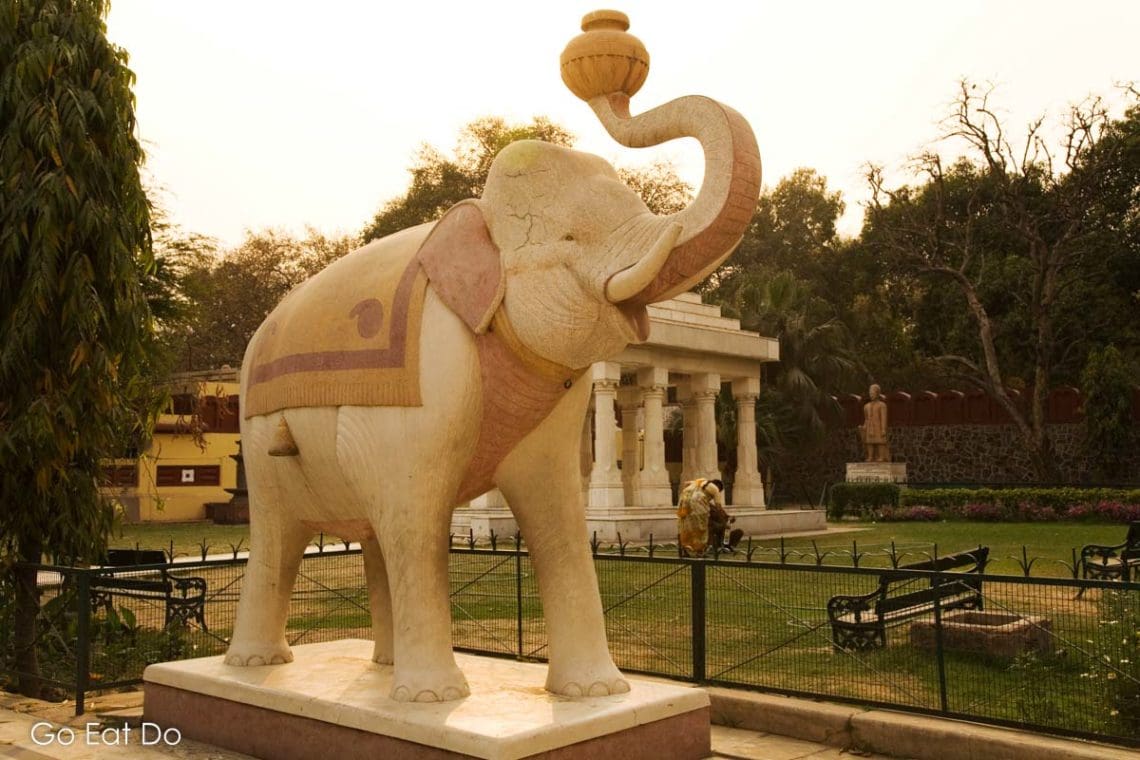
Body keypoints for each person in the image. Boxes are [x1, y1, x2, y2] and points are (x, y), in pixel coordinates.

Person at [677, 478, 722, 557]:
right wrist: (722, 516)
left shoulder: (699, 481)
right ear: (718, 486)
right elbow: (718, 506)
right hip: (698, 504)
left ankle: (685, 550)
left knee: (685, 527)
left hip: (684, 500)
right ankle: (699, 552)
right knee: (701, 528)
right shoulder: (715, 489)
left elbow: (686, 483)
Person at [860, 384, 890, 463]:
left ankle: (881, 457)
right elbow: (866, 419)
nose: (871, 395)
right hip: (870, 427)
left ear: (877, 394)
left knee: (880, 442)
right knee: (869, 442)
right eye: (870, 393)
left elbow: (884, 418)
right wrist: (864, 427)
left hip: (878, 427)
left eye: (873, 393)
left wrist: (883, 429)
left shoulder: (882, 405)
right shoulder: (866, 406)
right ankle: (870, 456)